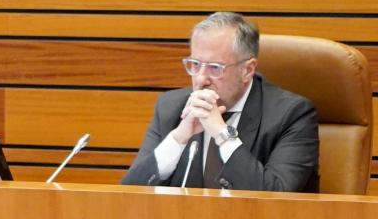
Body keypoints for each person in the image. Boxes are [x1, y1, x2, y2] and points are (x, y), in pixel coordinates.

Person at [122, 12, 319, 192]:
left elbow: (277, 197)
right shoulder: (171, 107)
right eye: (195, 65)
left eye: (215, 68)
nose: (200, 80)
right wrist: (178, 138)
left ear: (247, 70)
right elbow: (129, 195)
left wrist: (222, 134)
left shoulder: (292, 115)